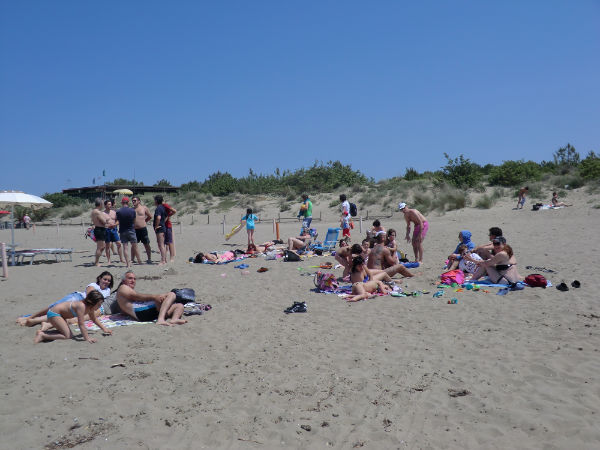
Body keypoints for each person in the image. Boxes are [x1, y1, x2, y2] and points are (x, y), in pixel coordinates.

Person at [17, 271, 114, 327]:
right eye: (105, 279)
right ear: (100, 278)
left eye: (109, 281)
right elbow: (90, 296)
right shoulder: (93, 285)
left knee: (57, 313)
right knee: (53, 307)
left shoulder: (108, 291)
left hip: (83, 305)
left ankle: (32, 320)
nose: (106, 282)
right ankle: (29, 317)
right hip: (78, 298)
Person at [34, 290, 112, 344]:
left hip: (60, 316)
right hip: (54, 314)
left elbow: (94, 319)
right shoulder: (82, 306)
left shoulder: (90, 308)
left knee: (65, 333)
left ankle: (44, 333)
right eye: (98, 304)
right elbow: (81, 324)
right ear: (91, 302)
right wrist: (87, 338)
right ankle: (43, 335)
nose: (100, 306)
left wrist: (104, 329)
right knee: (68, 336)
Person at [116, 271, 186, 325]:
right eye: (130, 278)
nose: (133, 280)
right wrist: (154, 297)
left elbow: (125, 306)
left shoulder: (125, 291)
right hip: (141, 312)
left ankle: (174, 319)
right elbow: (135, 296)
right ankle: (161, 319)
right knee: (171, 294)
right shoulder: (123, 287)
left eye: (134, 279)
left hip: (144, 313)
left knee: (179, 306)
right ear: (123, 281)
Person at [116, 197, 139, 268]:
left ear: (122, 203)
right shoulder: (132, 210)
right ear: (128, 202)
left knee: (125, 247)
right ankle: (139, 260)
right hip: (131, 229)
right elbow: (134, 221)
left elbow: (118, 221)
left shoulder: (118, 211)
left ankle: (128, 264)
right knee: (135, 246)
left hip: (122, 230)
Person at [132, 196, 153, 263]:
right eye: (132, 200)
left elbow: (150, 216)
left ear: (139, 201)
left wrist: (145, 221)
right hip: (135, 229)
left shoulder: (144, 208)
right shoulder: (132, 209)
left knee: (146, 244)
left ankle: (149, 258)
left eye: (135, 200)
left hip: (143, 229)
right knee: (134, 244)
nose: (133, 202)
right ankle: (132, 259)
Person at [104, 199, 125, 265]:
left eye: (111, 204)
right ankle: (109, 260)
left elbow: (118, 221)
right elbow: (100, 223)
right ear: (105, 205)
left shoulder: (114, 212)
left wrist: (115, 224)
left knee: (119, 243)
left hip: (114, 229)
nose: (110, 205)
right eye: (109, 204)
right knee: (108, 245)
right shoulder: (102, 213)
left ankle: (121, 259)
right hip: (106, 230)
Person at [91, 198, 108, 266]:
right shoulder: (97, 212)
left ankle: (96, 261)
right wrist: (107, 219)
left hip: (100, 229)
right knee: (100, 247)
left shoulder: (94, 211)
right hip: (99, 229)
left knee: (103, 246)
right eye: (103, 204)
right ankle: (96, 262)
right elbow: (104, 221)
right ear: (100, 204)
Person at [153, 195, 168, 265]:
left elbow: (158, 217)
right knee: (161, 244)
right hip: (162, 227)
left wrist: (156, 226)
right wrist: (163, 222)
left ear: (156, 201)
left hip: (160, 228)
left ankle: (163, 260)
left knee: (161, 245)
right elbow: (166, 216)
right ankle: (164, 259)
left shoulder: (158, 208)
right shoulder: (162, 207)